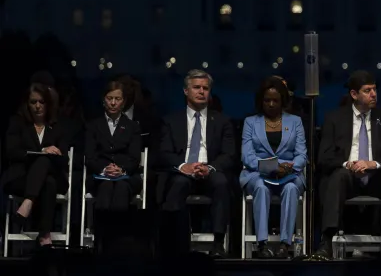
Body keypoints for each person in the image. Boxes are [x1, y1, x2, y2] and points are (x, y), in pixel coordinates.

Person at [315, 71, 381, 259]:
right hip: (348, 176)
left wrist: (373, 164)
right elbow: (324, 156)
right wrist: (348, 164)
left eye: (374, 90)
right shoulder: (335, 118)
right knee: (337, 176)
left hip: (376, 176)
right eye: (367, 90)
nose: (374, 94)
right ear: (354, 95)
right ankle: (326, 241)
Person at [157, 69, 236, 255]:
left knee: (222, 183)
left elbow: (229, 154)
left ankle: (217, 243)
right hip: (183, 172)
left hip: (210, 171)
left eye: (205, 88)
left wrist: (209, 167)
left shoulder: (223, 121)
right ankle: (175, 244)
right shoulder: (170, 121)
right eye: (196, 87)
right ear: (186, 91)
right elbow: (163, 153)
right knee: (177, 184)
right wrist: (184, 166)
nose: (201, 91)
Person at [240, 75, 307, 258]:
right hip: (258, 173)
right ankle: (262, 245)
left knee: (292, 189)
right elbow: (247, 156)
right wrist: (272, 167)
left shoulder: (295, 122)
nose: (270, 104)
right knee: (261, 189)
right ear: (260, 101)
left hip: (289, 174)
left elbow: (302, 154)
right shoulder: (250, 122)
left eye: (275, 100)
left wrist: (290, 168)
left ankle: (286, 244)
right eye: (267, 100)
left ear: (283, 101)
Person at [2, 83, 71, 246]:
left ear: (48, 104)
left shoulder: (57, 127)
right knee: (47, 178)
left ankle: (27, 203)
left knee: (47, 172)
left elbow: (64, 158)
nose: (37, 106)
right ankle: (45, 236)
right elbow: (11, 152)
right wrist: (41, 151)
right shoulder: (17, 124)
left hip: (52, 175)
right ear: (27, 104)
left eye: (41, 102)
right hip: (21, 177)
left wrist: (51, 153)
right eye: (33, 102)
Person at [83, 80, 144, 214]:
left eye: (117, 99)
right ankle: (102, 232)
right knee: (106, 186)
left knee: (121, 187)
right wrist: (105, 169)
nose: (113, 103)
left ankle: (118, 232)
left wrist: (121, 170)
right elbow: (90, 157)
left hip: (126, 176)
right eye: (109, 98)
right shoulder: (93, 126)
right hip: (99, 176)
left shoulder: (132, 127)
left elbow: (134, 158)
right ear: (103, 100)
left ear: (123, 102)